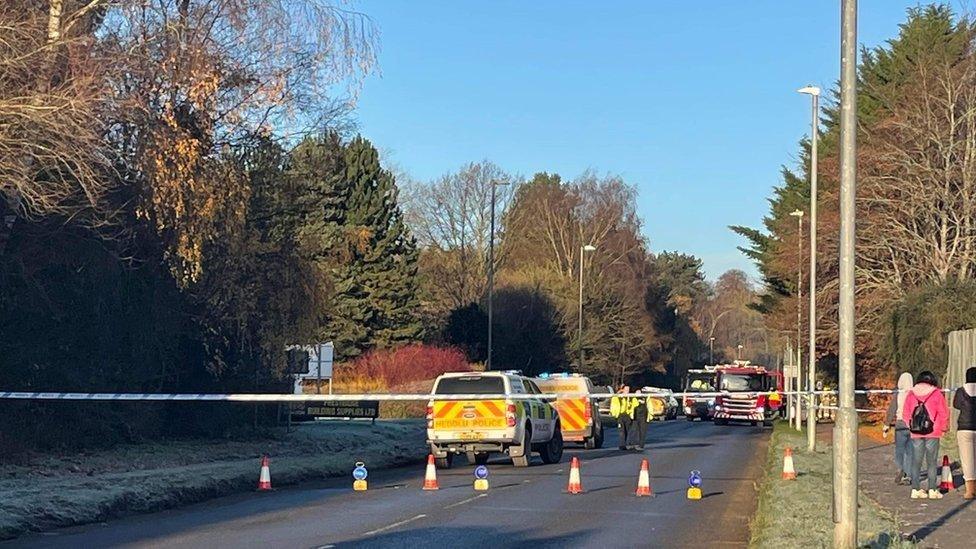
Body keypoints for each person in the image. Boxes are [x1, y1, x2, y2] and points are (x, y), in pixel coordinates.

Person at [901, 371, 949, 499]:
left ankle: (915, 489)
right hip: (933, 432)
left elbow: (905, 413)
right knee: (932, 461)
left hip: (915, 432)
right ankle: (932, 489)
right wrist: (943, 428)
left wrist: (911, 426)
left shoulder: (911, 394)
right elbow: (943, 413)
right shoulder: (937, 393)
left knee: (916, 461)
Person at [883, 372, 914, 485]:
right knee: (910, 451)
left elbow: (892, 409)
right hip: (912, 425)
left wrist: (886, 424)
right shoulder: (914, 393)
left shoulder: (898, 394)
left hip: (900, 423)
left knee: (899, 449)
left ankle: (901, 468)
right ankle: (908, 475)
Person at [953, 367, 976, 500]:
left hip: (965, 427)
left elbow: (956, 405)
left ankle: (970, 490)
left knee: (967, 459)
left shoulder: (962, 391)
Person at [610, 386, 634, 450]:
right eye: (626, 390)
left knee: (627, 431)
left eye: (628, 390)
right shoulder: (618, 397)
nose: (627, 391)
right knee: (621, 431)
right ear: (623, 390)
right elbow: (613, 401)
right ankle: (622, 445)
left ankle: (628, 444)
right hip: (620, 415)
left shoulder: (630, 398)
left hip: (627, 415)